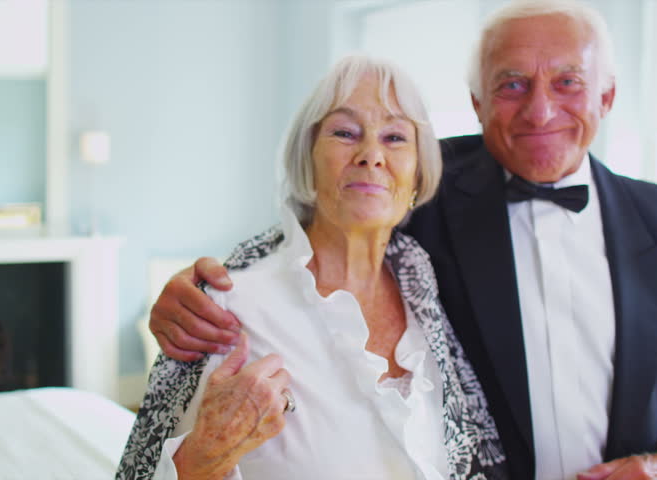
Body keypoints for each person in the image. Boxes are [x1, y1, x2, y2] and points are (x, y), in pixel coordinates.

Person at [147, 1, 657, 479]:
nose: (540, 110)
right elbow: (322, 218)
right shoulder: (422, 184)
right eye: (511, 85)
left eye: (568, 82)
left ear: (606, 96)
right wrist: (199, 290)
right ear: (477, 103)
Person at [117, 55, 509, 480]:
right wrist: (204, 456)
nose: (371, 154)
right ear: (308, 157)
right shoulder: (227, 305)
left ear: (418, 173)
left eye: (395, 137)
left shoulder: (432, 292)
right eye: (345, 132)